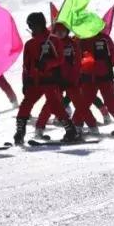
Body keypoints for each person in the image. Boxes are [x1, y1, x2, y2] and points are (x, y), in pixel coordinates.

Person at [14, 12, 79, 145]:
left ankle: (71, 130)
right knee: (26, 105)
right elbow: (26, 65)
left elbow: (60, 59)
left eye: (33, 25)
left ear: (41, 24)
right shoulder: (30, 44)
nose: (32, 28)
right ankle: (20, 132)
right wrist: (25, 82)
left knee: (56, 106)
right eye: (30, 25)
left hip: (50, 80)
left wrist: (46, 63)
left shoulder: (53, 40)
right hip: (34, 81)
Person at [33, 23, 93, 139]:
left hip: (70, 80)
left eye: (62, 31)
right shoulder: (49, 44)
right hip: (55, 80)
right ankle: (39, 129)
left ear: (67, 32)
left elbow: (77, 64)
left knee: (80, 104)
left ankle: (92, 127)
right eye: (57, 31)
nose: (60, 34)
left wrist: (76, 79)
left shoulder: (73, 44)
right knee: (50, 104)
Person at [73, 29, 114, 135]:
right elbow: (75, 59)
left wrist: (101, 63)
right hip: (88, 77)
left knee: (111, 101)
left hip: (104, 76)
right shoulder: (79, 40)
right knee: (83, 102)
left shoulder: (104, 39)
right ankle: (77, 125)